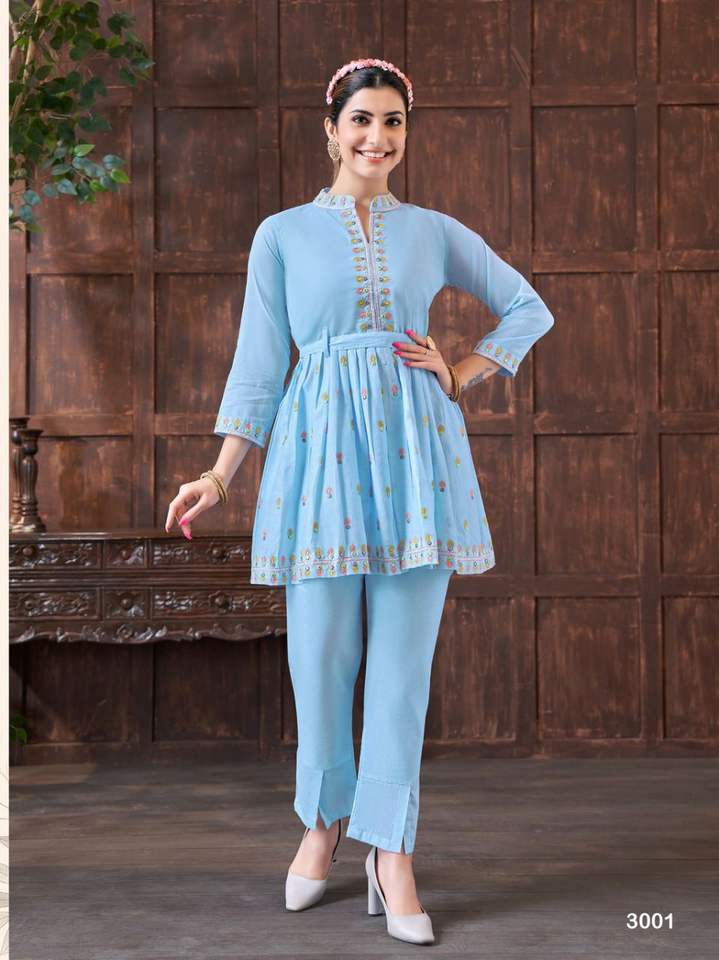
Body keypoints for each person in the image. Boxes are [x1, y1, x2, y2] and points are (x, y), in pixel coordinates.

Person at [165, 57, 554, 946]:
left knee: (403, 671)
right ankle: (324, 820)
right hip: (316, 460)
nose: (377, 138)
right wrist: (219, 474)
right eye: (362, 121)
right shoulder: (282, 235)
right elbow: (259, 362)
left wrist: (460, 370)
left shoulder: (432, 231)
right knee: (320, 658)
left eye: (393, 122)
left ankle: (391, 848)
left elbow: (525, 306)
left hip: (417, 459)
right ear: (330, 130)